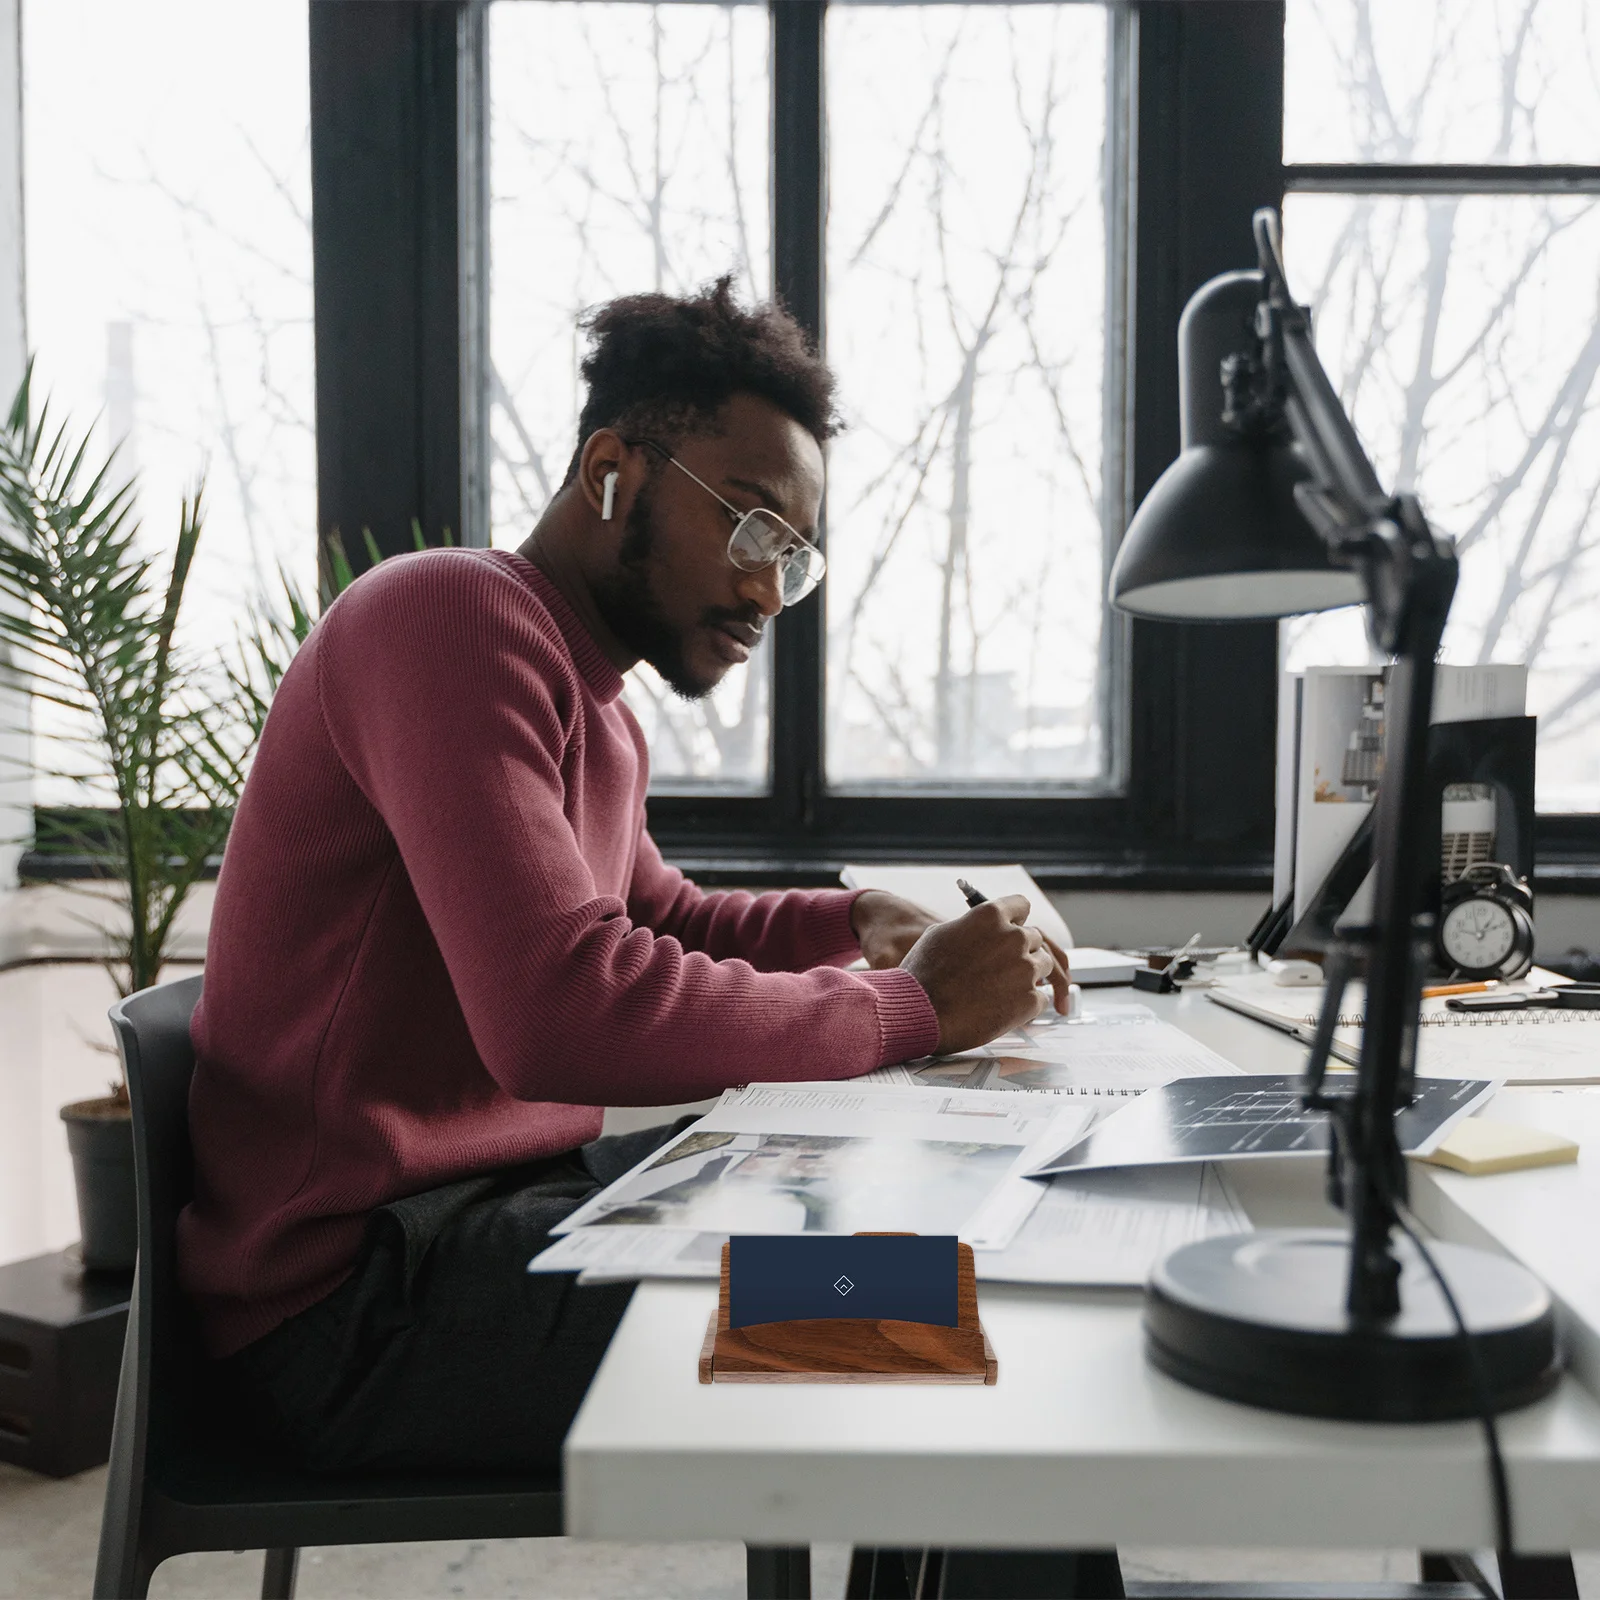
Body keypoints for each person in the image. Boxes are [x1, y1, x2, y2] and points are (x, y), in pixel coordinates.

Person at [179, 278, 1070, 1475]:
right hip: (352, 1303)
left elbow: (662, 917)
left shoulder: (593, 703)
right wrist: (914, 1005)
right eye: (751, 526)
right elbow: (562, 1010)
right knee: (948, 1316)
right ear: (611, 468)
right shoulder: (445, 617)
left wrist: (853, 918)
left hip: (511, 1212)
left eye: (794, 556)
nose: (767, 590)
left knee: (941, 1236)